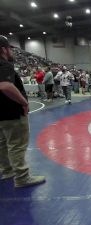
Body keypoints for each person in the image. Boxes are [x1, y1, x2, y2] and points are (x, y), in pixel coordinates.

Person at [0, 35, 45, 188]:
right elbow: (5, 86)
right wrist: (24, 102)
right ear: (3, 49)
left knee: (3, 143)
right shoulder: (4, 64)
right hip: (12, 112)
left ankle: (7, 171)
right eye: (9, 48)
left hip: (1, 114)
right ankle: (22, 177)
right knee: (16, 145)